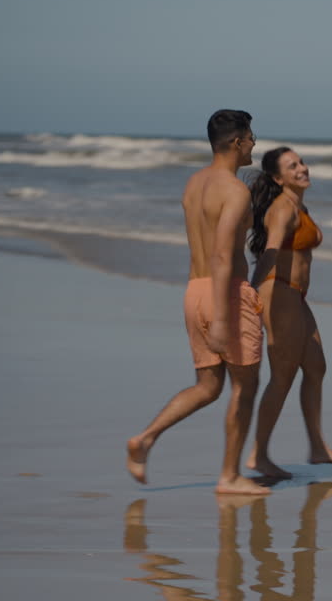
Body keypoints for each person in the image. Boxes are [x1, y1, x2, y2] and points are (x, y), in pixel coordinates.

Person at [126, 109, 269, 495]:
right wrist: (223, 318)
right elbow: (224, 255)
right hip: (227, 294)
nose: (255, 143)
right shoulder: (234, 190)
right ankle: (229, 475)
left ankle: (145, 438)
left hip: (194, 291)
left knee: (207, 386)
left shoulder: (193, 184)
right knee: (246, 386)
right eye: (251, 136)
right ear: (237, 142)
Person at [247, 146, 332, 479]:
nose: (302, 168)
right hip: (278, 293)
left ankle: (318, 448)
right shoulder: (282, 209)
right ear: (278, 178)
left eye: (302, 162)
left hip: (295, 296)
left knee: (316, 367)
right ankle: (258, 456)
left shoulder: (297, 204)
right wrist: (248, 294)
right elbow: (271, 251)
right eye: (293, 166)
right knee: (282, 377)